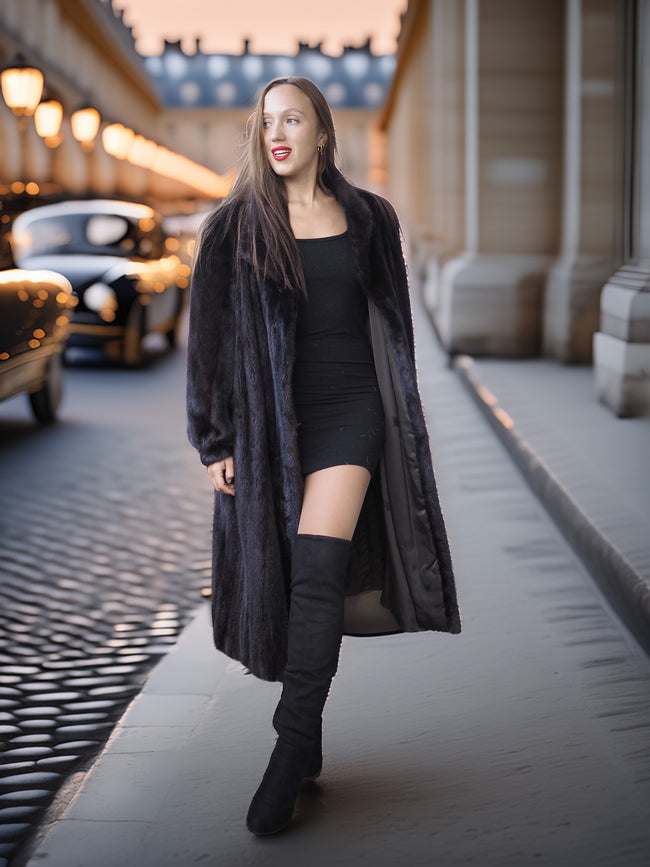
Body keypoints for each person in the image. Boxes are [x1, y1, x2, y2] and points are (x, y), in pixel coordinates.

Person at [186, 76, 460, 836]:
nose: (277, 131)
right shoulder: (233, 228)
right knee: (288, 578)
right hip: (273, 426)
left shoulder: (370, 219)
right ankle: (307, 733)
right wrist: (215, 437)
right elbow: (206, 347)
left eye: (293, 118)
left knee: (318, 569)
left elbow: (396, 333)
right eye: (267, 119)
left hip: (350, 416)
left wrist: (400, 424)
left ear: (321, 131)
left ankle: (289, 742)